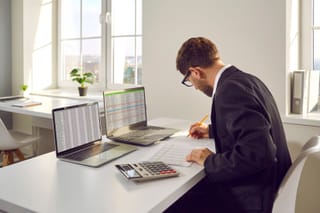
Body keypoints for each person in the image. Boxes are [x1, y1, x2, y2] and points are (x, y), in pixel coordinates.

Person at [165, 37, 292, 213]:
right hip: (269, 184)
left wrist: (209, 160)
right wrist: (211, 130)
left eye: (188, 80)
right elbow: (256, 127)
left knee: (173, 204)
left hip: (253, 199)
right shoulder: (248, 80)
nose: (193, 87)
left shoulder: (230, 91)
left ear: (195, 72)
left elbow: (259, 154)